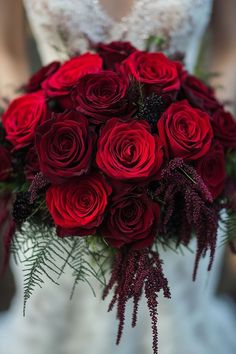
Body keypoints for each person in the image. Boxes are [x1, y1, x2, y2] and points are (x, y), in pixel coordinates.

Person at [0, 1, 236, 353]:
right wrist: (29, 150)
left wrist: (209, 142)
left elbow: (229, 48)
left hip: (181, 197)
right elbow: (7, 50)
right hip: (52, 199)